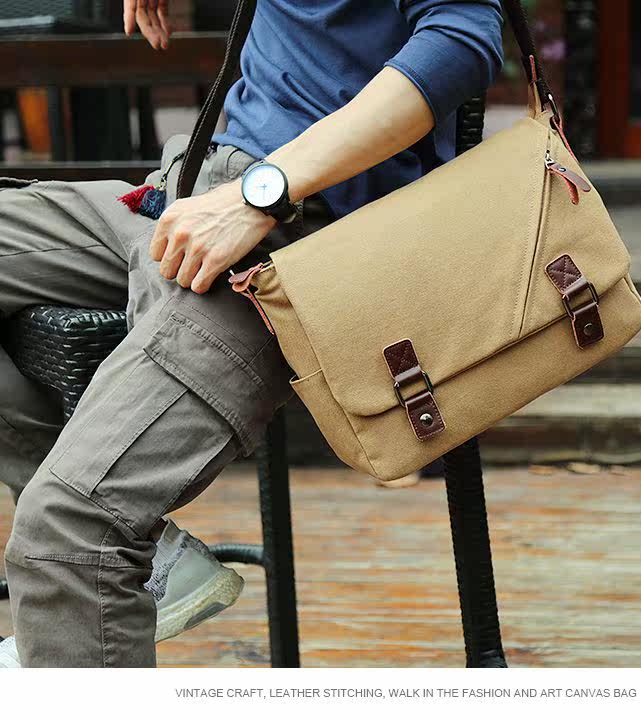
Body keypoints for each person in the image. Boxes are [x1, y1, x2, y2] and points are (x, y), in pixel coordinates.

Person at [0, 0, 503, 667]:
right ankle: (149, 551)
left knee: (69, 528)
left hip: (292, 237)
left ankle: (97, 547)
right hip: (187, 191)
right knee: (81, 516)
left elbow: (463, 40)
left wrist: (261, 193)